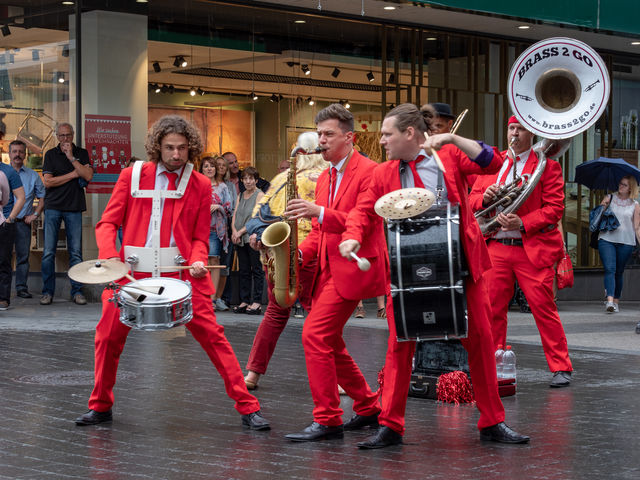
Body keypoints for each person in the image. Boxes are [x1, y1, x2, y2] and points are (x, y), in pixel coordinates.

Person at [340, 103, 529, 448]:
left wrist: (453, 137)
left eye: (387, 134)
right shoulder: (383, 173)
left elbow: (496, 162)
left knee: (481, 340)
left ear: (410, 134)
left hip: (461, 263)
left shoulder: (450, 157)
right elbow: (363, 209)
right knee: (400, 345)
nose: (381, 140)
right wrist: (352, 235)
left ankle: (492, 421)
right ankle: (391, 425)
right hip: (407, 265)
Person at [74, 115, 269, 431]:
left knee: (215, 339)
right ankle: (100, 406)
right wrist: (111, 261)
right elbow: (107, 223)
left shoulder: (201, 184)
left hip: (180, 274)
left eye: (181, 148)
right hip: (130, 274)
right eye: (169, 148)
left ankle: (248, 407)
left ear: (190, 147)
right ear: (157, 147)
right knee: (107, 338)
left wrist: (198, 258)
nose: (176, 155)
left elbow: (197, 236)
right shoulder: (131, 175)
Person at [283, 103, 386, 442]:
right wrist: (297, 253)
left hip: (353, 268)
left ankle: (328, 418)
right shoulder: (325, 176)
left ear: (349, 137)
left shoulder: (371, 171)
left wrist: (320, 211)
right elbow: (318, 231)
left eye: (328, 134)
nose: (321, 141)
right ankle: (369, 406)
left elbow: (365, 221)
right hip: (328, 270)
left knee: (314, 336)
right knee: (332, 343)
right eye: (320, 135)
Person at [469, 116, 573, 388]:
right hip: (497, 247)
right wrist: (485, 197)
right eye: (511, 128)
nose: (513, 134)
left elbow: (554, 209)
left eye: (520, 129)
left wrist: (523, 222)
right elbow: (470, 199)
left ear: (531, 133)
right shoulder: (493, 164)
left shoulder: (546, 166)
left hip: (530, 248)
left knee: (543, 308)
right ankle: (494, 364)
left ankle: (561, 366)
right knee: (491, 309)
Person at [244, 146, 327, 390]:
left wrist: (259, 237)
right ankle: (338, 379)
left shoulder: (281, 179)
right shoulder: (325, 179)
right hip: (309, 254)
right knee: (319, 318)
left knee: (275, 314)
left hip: (278, 256)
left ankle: (252, 374)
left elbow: (256, 218)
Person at [41, 122, 93, 306]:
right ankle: (47, 292)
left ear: (73, 134)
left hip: (74, 207)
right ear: (57, 136)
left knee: (76, 253)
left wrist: (71, 157)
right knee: (48, 252)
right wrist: (72, 175)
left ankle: (77, 292)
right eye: (62, 136)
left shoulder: (81, 152)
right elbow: (48, 182)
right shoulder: (50, 154)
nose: (65, 139)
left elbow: (87, 175)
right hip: (53, 206)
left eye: (68, 135)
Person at [597, 175, 640, 313]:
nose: (621, 186)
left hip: (626, 241)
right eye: (620, 183)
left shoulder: (635, 205)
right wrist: (602, 207)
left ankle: (616, 301)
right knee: (610, 269)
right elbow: (598, 215)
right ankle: (609, 302)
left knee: (619, 272)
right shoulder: (610, 198)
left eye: (625, 185)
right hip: (606, 239)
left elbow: (637, 227)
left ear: (630, 188)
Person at [10, 140, 45, 299]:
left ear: (25, 154)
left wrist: (35, 215)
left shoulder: (32, 176)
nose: (17, 154)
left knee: (23, 257)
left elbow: (43, 197)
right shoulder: (2, 173)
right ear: (10, 154)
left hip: (22, 223)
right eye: (14, 151)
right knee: (3, 257)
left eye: (20, 152)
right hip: (3, 223)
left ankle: (21, 288)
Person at [199, 156, 233, 311]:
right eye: (206, 166)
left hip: (215, 230)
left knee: (214, 262)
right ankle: (202, 296)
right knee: (201, 263)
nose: (209, 169)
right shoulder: (197, 185)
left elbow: (229, 208)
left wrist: (217, 207)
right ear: (202, 169)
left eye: (211, 166)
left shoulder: (223, 187)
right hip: (199, 229)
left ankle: (212, 298)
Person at [231, 166, 264, 314]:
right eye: (245, 178)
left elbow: (255, 218)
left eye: (251, 178)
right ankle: (244, 300)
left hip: (252, 237)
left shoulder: (259, 195)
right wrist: (233, 231)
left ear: (256, 180)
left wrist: (240, 232)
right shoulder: (240, 195)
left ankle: (256, 302)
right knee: (243, 270)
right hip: (239, 238)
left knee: (256, 269)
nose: (248, 181)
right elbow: (235, 214)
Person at [0, 147, 26, 311]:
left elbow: (21, 197)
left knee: (3, 261)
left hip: (4, 223)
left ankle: (3, 298)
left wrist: (10, 219)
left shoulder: (8, 171)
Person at [213, 155, 237, 311]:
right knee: (212, 262)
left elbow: (233, 207)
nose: (221, 167)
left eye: (224, 165)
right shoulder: (207, 183)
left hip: (226, 227)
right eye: (218, 165)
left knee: (224, 265)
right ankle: (211, 297)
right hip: (210, 228)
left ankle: (219, 297)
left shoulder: (228, 186)